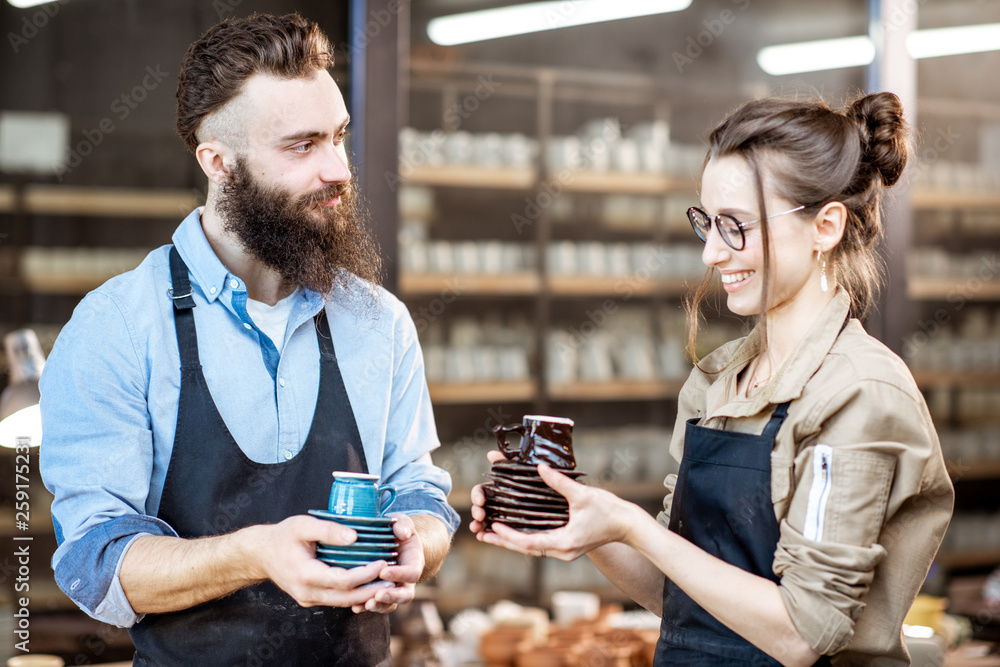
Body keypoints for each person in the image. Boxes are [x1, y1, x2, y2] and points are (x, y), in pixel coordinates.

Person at [471, 92, 954, 666]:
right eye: (707, 222)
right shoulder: (718, 380)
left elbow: (806, 632)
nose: (711, 253)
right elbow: (676, 591)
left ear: (825, 226)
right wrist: (587, 518)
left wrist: (631, 525)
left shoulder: (859, 392)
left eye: (736, 226)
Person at [39, 13, 458, 666]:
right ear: (219, 163)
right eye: (302, 145)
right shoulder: (118, 327)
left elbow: (420, 491)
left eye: (339, 137)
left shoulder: (378, 321)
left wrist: (417, 541)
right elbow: (96, 558)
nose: (339, 170)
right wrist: (254, 552)